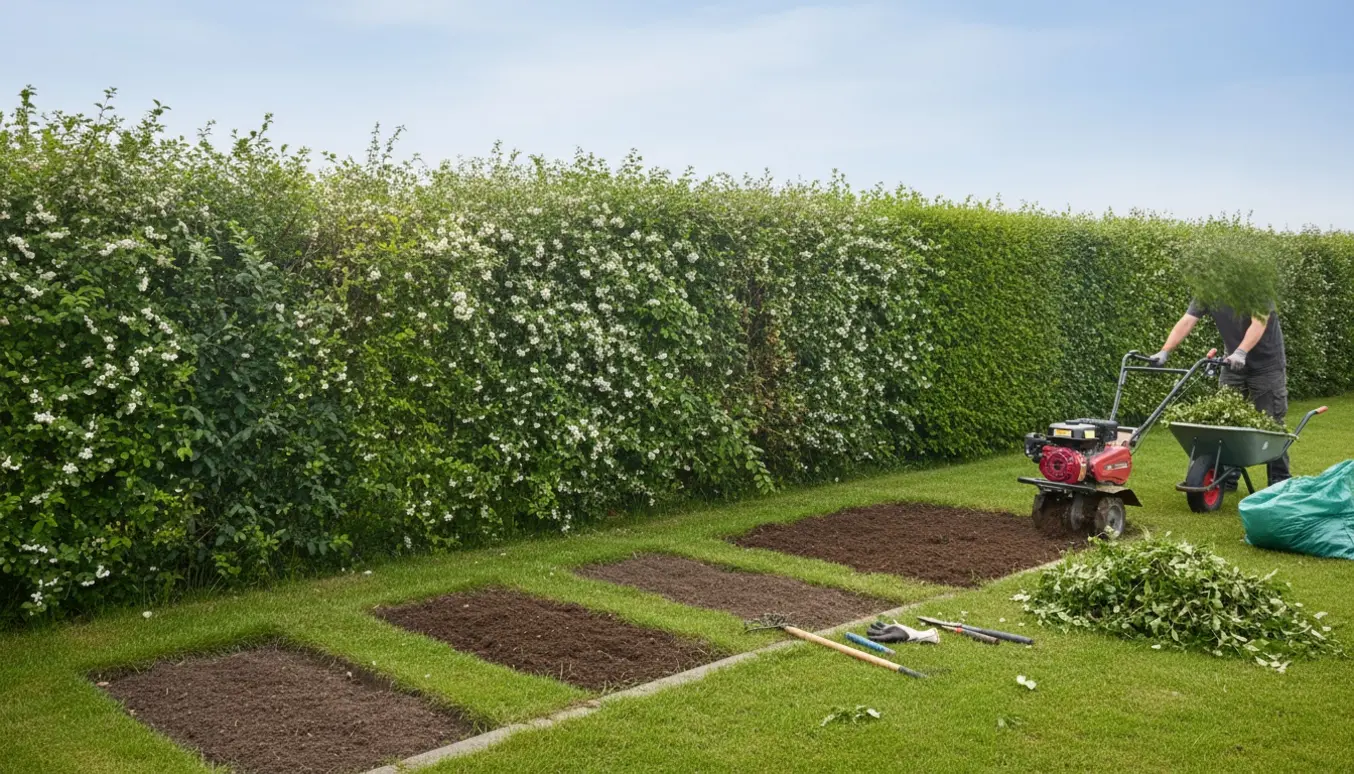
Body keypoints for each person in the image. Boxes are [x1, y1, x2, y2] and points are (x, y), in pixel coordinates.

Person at [1149, 300, 1289, 487]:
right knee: (1224, 420)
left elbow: (1259, 322)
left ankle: (1280, 481)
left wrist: (1242, 351)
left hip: (1267, 366)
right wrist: (1164, 351)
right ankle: (1226, 478)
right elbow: (1187, 320)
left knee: (1272, 424)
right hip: (1231, 363)